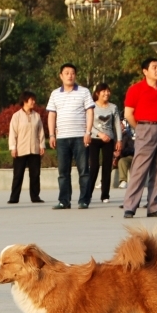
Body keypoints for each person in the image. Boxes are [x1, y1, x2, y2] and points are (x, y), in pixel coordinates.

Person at [121, 57, 157, 219]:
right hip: (144, 128)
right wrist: (140, 129)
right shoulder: (135, 89)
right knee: (139, 169)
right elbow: (128, 114)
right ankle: (130, 206)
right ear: (145, 71)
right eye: (154, 67)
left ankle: (153, 206)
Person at [46, 63, 95, 209]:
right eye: (66, 73)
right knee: (63, 172)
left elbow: (90, 112)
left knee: (84, 171)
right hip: (62, 138)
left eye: (72, 73)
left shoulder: (84, 92)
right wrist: (51, 135)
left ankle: (84, 200)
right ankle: (64, 201)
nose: (70, 75)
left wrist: (88, 132)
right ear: (61, 76)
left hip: (80, 136)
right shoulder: (55, 94)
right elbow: (51, 115)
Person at [7, 90, 46, 204]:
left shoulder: (37, 116)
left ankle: (35, 196)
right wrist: (13, 147)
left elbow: (41, 132)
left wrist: (42, 145)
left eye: (34, 100)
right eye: (31, 100)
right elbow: (13, 133)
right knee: (18, 175)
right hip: (21, 150)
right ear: (25, 101)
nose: (33, 102)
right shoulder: (16, 116)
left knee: (35, 175)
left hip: (34, 149)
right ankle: (14, 197)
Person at [88, 83, 121, 204]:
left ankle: (105, 194)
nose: (106, 93)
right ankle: (88, 193)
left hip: (109, 140)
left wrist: (119, 140)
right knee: (94, 166)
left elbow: (117, 124)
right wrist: (100, 134)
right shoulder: (91, 107)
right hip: (94, 139)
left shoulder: (113, 107)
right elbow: (88, 125)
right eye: (103, 91)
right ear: (97, 93)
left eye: (108, 91)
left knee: (107, 167)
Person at [116, 120, 134, 190]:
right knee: (107, 161)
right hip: (117, 157)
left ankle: (123, 181)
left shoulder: (127, 135)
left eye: (121, 124)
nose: (120, 126)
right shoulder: (114, 136)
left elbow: (131, 149)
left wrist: (121, 152)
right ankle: (103, 181)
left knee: (122, 161)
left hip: (128, 156)